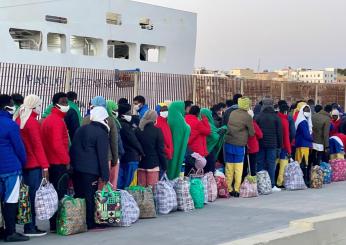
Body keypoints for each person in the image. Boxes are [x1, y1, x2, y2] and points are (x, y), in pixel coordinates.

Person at [14, 95, 49, 237]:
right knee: (33, 196)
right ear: (34, 105)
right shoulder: (32, 122)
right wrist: (45, 166)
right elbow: (37, 146)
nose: (40, 108)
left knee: (24, 196)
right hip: (33, 163)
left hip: (21, 163)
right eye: (39, 105)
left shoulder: (18, 119)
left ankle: (25, 223)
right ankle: (30, 227)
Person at [70, 107, 110, 230]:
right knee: (90, 196)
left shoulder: (80, 129)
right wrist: (105, 175)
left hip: (77, 169)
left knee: (79, 195)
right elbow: (102, 156)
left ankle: (78, 220)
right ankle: (91, 222)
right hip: (91, 170)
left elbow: (73, 148)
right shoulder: (101, 133)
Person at [0, 95, 28, 242]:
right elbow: (19, 147)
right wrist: (23, 162)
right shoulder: (10, 125)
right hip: (11, 168)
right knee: (10, 200)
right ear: (6, 107)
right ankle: (10, 232)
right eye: (12, 105)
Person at [41, 92, 70, 232]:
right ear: (56, 104)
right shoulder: (57, 121)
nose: (66, 105)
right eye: (63, 102)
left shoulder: (48, 119)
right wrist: (67, 160)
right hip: (58, 163)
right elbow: (57, 144)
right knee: (59, 193)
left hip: (50, 162)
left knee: (53, 194)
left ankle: (53, 223)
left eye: (66, 102)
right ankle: (57, 223)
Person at [224, 97, 254, 197]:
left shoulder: (233, 113)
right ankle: (237, 189)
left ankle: (228, 188)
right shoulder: (247, 116)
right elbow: (252, 133)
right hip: (239, 145)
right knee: (238, 167)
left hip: (228, 143)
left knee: (229, 167)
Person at [83, 96, 119, 174]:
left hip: (89, 156)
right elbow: (114, 141)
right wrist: (115, 158)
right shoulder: (110, 120)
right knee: (103, 182)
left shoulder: (86, 119)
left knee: (91, 182)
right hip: (106, 156)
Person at [256, 98, 282, 192]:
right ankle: (271, 184)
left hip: (260, 143)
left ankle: (260, 184)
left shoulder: (258, 117)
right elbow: (279, 133)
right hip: (272, 144)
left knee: (260, 163)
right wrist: (279, 145)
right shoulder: (276, 117)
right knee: (271, 164)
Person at [136, 110, 167, 187]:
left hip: (141, 164)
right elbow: (160, 150)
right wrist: (164, 165)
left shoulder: (138, 130)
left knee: (141, 191)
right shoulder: (157, 131)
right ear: (154, 119)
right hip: (153, 164)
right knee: (152, 191)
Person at [117, 103, 144, 189]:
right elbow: (134, 141)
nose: (130, 114)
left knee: (120, 182)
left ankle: (120, 200)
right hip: (131, 157)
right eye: (129, 112)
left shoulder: (117, 124)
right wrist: (142, 152)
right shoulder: (126, 126)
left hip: (121, 157)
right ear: (124, 115)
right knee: (128, 184)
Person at [167, 101, 191, 180]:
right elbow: (187, 128)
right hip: (178, 147)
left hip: (169, 148)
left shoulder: (169, 118)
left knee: (170, 165)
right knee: (178, 165)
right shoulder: (180, 119)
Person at [200, 108, 227, 173]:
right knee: (209, 170)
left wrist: (219, 130)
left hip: (201, 151)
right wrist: (221, 130)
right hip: (209, 151)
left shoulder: (201, 123)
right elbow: (215, 137)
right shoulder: (208, 124)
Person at [185, 106, 211, 173]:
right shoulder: (197, 123)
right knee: (196, 171)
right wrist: (205, 119)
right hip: (197, 149)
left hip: (187, 148)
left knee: (188, 169)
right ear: (197, 113)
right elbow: (207, 131)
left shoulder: (184, 120)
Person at [106, 100, 123, 188]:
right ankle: (110, 200)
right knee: (112, 181)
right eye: (114, 110)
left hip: (108, 156)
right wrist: (119, 154)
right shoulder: (112, 122)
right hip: (113, 156)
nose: (116, 112)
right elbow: (116, 140)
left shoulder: (108, 120)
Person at [244, 108, 263, 178]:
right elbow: (260, 135)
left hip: (243, 146)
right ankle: (253, 179)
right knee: (253, 165)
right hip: (253, 146)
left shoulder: (242, 123)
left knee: (244, 165)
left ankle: (244, 180)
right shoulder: (253, 124)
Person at [276, 102, 292, 188]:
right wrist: (289, 150)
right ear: (286, 112)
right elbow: (286, 137)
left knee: (274, 165)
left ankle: (272, 181)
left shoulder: (276, 118)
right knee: (283, 165)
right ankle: (280, 182)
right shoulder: (284, 121)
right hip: (283, 147)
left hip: (274, 146)